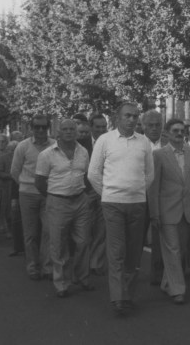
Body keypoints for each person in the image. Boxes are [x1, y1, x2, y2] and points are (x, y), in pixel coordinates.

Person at [88, 102, 154, 316]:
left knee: (133, 253)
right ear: (118, 118)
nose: (132, 119)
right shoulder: (105, 140)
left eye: (135, 116)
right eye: (127, 115)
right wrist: (108, 194)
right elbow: (93, 173)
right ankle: (118, 297)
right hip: (112, 204)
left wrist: (137, 191)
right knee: (116, 251)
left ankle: (128, 295)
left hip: (137, 203)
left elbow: (149, 174)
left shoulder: (144, 142)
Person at [148, 119, 190, 305]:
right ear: (167, 133)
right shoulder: (158, 155)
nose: (179, 133)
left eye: (182, 130)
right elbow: (153, 187)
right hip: (167, 211)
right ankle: (178, 290)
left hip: (188, 210)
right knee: (173, 250)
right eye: (175, 130)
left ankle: (167, 282)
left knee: (180, 251)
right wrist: (154, 213)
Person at [35, 119, 94, 298]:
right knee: (59, 244)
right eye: (65, 129)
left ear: (76, 132)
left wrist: (83, 193)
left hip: (80, 200)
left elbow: (87, 176)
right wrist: (53, 197)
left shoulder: (83, 151)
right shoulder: (46, 155)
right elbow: (39, 182)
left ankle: (82, 277)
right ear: (58, 132)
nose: (69, 132)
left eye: (72, 129)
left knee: (83, 241)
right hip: (57, 201)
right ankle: (61, 283)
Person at [11, 114, 55, 281]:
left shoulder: (54, 145)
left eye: (44, 127)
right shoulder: (23, 146)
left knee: (49, 231)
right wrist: (26, 185)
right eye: (37, 127)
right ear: (31, 128)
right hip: (27, 194)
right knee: (30, 233)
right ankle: (33, 266)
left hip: (48, 194)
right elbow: (15, 171)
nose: (41, 130)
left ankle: (47, 266)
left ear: (48, 127)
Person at [142, 110, 166, 285]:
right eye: (150, 125)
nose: (154, 128)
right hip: (139, 196)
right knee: (136, 239)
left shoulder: (168, 144)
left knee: (159, 239)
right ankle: (131, 272)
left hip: (161, 197)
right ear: (144, 126)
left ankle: (158, 274)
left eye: (158, 125)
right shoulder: (135, 143)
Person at [86, 112, 108, 276]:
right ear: (90, 127)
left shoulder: (111, 143)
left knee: (101, 230)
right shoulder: (81, 144)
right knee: (84, 230)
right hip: (85, 192)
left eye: (103, 127)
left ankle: (96, 263)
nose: (101, 130)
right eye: (98, 127)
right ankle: (84, 261)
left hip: (104, 192)